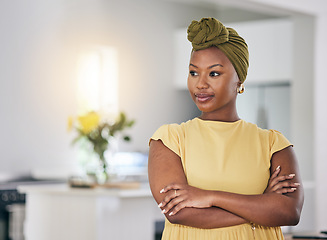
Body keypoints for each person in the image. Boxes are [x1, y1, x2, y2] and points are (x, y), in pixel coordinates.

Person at [148, 17, 304, 240]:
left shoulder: (273, 143)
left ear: (239, 79)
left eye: (214, 73)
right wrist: (261, 207)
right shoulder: (169, 139)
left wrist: (209, 197)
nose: (200, 84)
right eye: (193, 72)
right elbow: (178, 212)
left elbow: (289, 212)